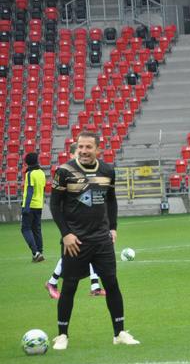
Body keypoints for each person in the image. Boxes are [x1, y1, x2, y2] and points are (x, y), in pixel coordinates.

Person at [49, 131, 139, 349]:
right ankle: (62, 335)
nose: (84, 151)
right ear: (76, 147)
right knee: (69, 286)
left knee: (112, 284)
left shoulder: (107, 171)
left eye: (89, 147)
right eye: (80, 147)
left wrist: (113, 228)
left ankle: (119, 333)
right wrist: (66, 234)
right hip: (75, 242)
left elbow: (112, 201)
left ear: (98, 149)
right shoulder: (64, 172)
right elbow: (54, 205)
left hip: (101, 240)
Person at [45, 142, 106, 299]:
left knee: (91, 249)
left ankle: (95, 286)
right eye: (78, 154)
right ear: (72, 154)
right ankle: (52, 282)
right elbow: (61, 200)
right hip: (72, 221)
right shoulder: (65, 172)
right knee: (73, 251)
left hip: (83, 220)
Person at [21, 152, 46, 262]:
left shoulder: (30, 174)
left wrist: (26, 207)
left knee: (25, 229)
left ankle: (35, 253)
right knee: (37, 229)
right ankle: (40, 252)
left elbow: (30, 190)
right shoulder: (41, 172)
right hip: (39, 205)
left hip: (30, 205)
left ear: (27, 162)